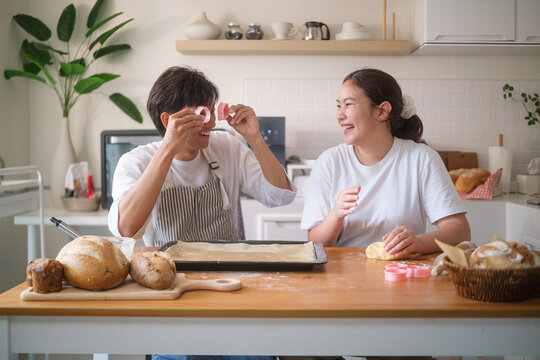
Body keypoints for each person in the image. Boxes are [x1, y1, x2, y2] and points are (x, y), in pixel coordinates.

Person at [108, 66, 295, 248]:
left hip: (228, 273)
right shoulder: (136, 162)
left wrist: (254, 138)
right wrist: (168, 150)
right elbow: (126, 230)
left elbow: (280, 196)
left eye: (212, 111)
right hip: (170, 274)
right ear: (167, 120)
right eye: (203, 114)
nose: (212, 123)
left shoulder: (226, 146)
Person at [301, 68, 470, 257]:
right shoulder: (329, 162)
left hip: (402, 274)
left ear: (381, 112)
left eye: (348, 104)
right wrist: (336, 214)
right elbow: (315, 242)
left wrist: (418, 243)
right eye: (339, 105)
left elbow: (459, 230)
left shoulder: (421, 159)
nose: (339, 115)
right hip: (342, 276)